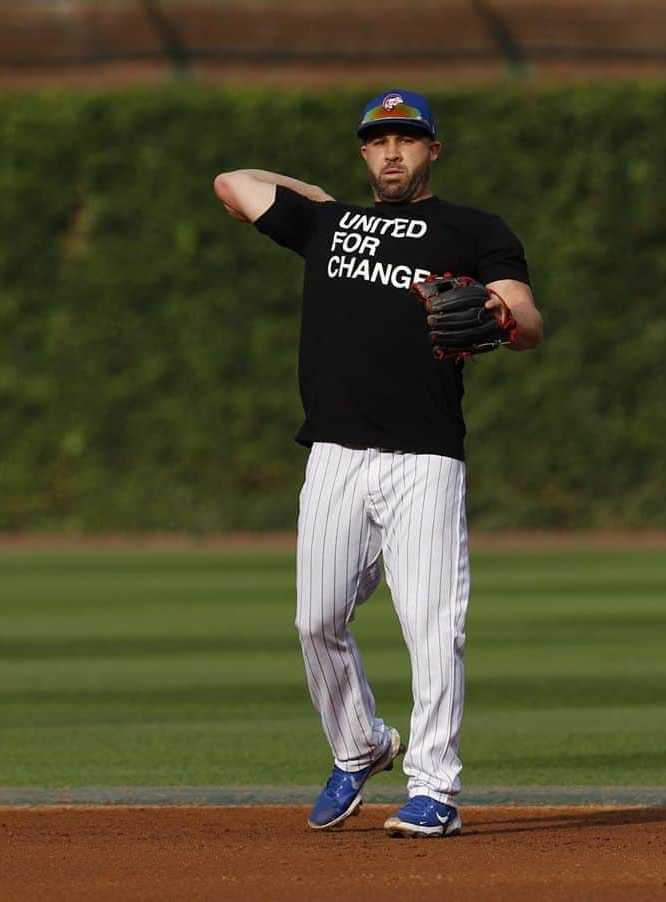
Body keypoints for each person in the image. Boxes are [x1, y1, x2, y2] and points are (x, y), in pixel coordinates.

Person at [213, 89, 543, 838]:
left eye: (407, 138)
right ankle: (360, 744)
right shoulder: (327, 225)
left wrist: (496, 316)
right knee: (315, 619)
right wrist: (319, 197)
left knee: (432, 625)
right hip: (332, 452)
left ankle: (434, 788)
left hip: (424, 455)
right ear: (363, 152)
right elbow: (231, 184)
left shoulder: (473, 228)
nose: (392, 151)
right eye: (378, 140)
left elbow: (526, 320)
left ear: (433, 148)